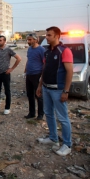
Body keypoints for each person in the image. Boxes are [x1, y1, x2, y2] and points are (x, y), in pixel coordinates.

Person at [36, 26, 73, 156]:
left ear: (57, 36)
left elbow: (70, 71)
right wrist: (40, 86)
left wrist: (66, 91)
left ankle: (67, 144)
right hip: (46, 88)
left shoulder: (64, 51)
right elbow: (44, 69)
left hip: (58, 90)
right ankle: (53, 138)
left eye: (49, 35)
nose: (46, 37)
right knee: (49, 114)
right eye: (46, 35)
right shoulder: (47, 52)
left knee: (63, 118)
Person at [0, 35, 22, 115]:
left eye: (0, 40)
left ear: (4, 41)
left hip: (5, 73)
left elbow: (19, 58)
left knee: (7, 91)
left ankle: (7, 108)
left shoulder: (8, 50)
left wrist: (11, 69)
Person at [24, 34, 44, 120]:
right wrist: (25, 69)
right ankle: (31, 113)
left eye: (30, 39)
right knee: (30, 95)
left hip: (37, 74)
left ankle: (40, 114)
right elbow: (29, 59)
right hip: (29, 74)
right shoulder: (29, 49)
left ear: (36, 40)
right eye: (28, 40)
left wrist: (42, 76)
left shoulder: (41, 49)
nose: (28, 41)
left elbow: (44, 63)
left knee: (38, 95)